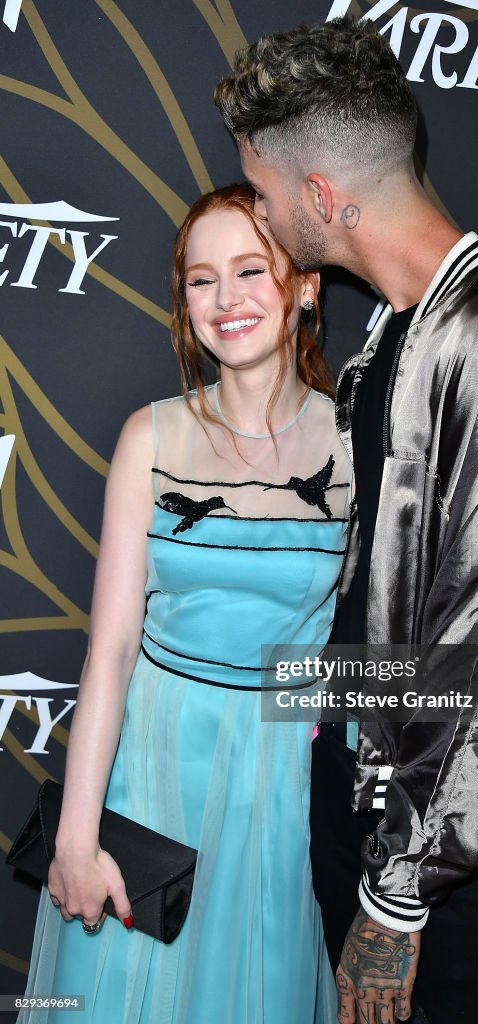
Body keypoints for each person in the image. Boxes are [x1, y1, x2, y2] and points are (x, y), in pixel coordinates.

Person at [214, 17, 478, 1024]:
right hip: (379, 818)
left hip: (453, 872)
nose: (263, 221)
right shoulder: (398, 335)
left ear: (321, 197)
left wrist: (397, 898)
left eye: (265, 198)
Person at [19, 184, 349, 1024]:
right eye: (201, 280)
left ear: (305, 284)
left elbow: (377, 649)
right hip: (150, 770)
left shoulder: (361, 445)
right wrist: (75, 837)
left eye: (250, 269)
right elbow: (112, 649)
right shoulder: (150, 436)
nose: (225, 299)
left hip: (279, 787)